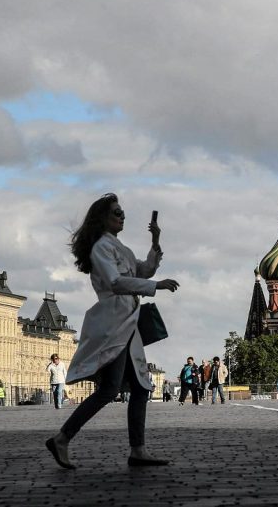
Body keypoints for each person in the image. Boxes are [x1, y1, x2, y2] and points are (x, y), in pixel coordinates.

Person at [45, 193, 179, 469]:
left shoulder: (119, 247)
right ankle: (63, 438)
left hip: (127, 322)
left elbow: (144, 270)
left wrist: (155, 241)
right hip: (114, 323)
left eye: (122, 213)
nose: (122, 217)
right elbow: (117, 282)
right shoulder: (101, 248)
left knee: (141, 387)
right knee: (109, 390)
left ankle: (137, 450)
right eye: (117, 213)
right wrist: (156, 287)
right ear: (103, 218)